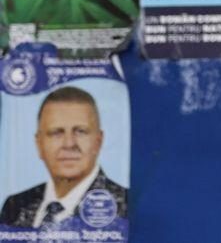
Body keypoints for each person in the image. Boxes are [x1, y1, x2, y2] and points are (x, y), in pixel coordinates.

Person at [0, 87, 127, 228]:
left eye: (81, 131)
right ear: (39, 145)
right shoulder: (15, 206)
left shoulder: (126, 207)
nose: (69, 144)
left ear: (98, 142)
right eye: (56, 133)